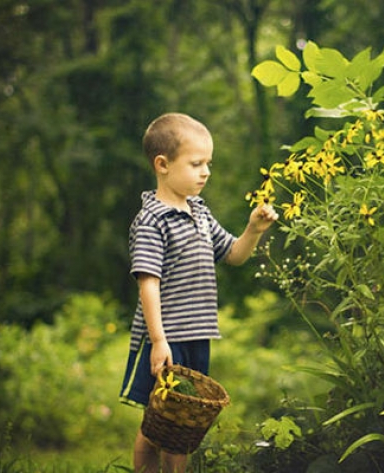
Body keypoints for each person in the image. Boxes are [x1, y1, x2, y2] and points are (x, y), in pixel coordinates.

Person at [119, 112, 278, 473]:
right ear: (162, 165)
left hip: (197, 335)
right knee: (157, 423)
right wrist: (158, 341)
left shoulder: (200, 213)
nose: (205, 172)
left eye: (208, 163)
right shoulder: (151, 220)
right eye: (195, 164)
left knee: (184, 425)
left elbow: (234, 254)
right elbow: (148, 282)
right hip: (166, 338)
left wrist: (253, 230)